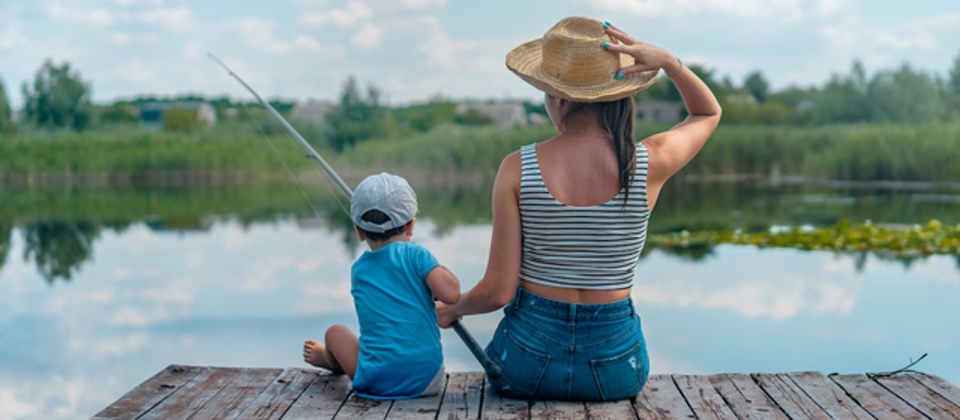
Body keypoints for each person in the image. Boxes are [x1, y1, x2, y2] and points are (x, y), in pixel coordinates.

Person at [436, 16, 721, 401]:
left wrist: (455, 308)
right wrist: (670, 63)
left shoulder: (518, 167)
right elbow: (707, 113)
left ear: (560, 97)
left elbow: (497, 292)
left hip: (524, 366)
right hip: (618, 369)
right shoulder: (650, 162)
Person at [303, 172, 460, 399]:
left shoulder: (359, 270)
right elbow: (452, 294)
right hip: (427, 381)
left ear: (358, 231)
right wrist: (433, 265)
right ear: (411, 225)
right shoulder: (417, 256)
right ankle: (331, 359)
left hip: (375, 381)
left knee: (335, 332)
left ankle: (329, 359)